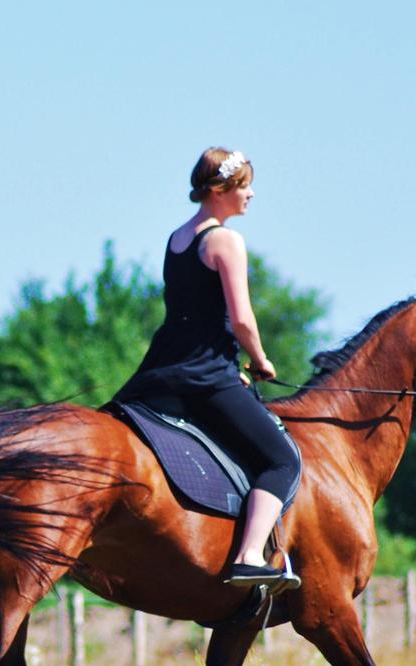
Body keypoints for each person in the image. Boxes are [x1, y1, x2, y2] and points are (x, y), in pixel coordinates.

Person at [113, 147, 301, 587]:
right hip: (204, 376)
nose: (251, 194)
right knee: (282, 460)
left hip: (164, 366)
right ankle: (251, 556)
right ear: (220, 190)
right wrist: (260, 360)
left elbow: (190, 314)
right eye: (245, 186)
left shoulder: (177, 239)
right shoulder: (225, 241)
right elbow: (242, 320)